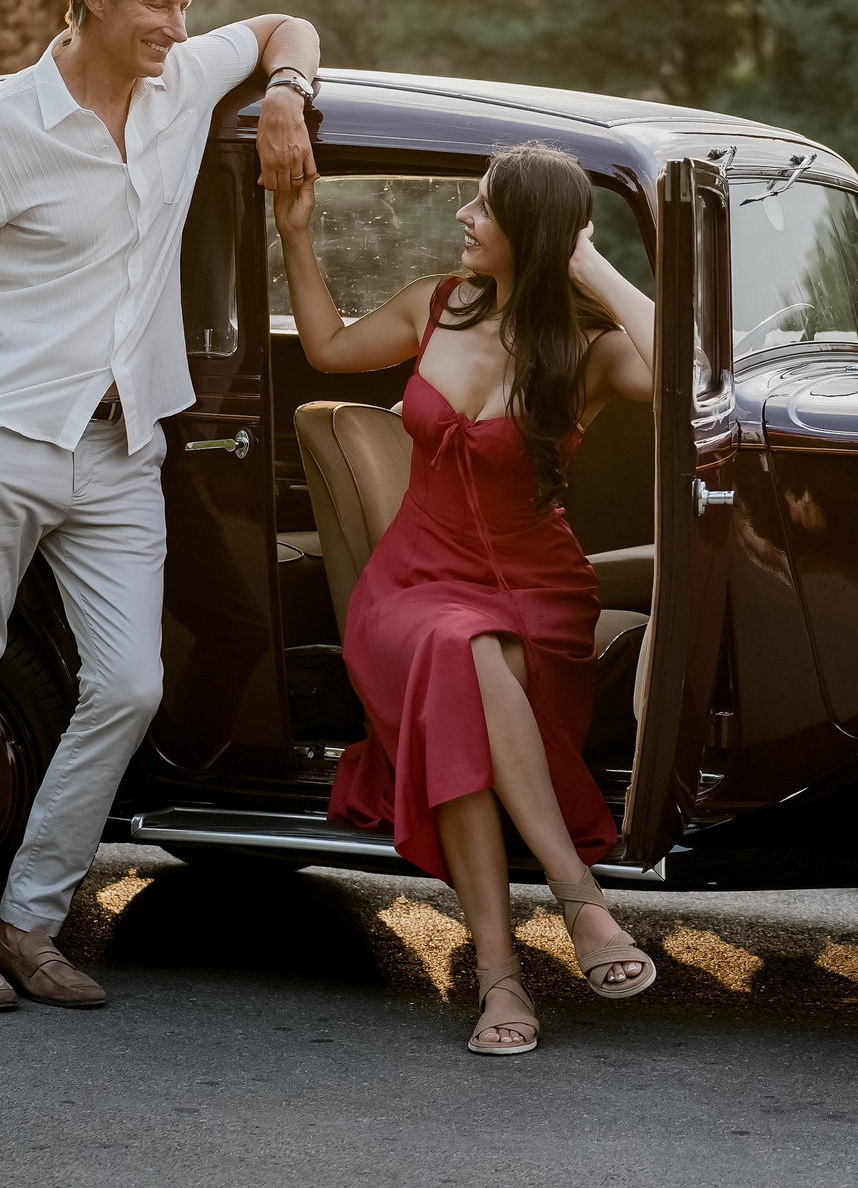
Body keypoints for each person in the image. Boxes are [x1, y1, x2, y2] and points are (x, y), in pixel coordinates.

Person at [0, 0, 320, 1012]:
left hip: (124, 448)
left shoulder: (179, 83)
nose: (178, 26)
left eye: (185, 4)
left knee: (128, 682)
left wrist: (283, 96)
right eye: (157, 5)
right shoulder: (0, 129)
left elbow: (284, 25)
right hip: (6, 442)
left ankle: (29, 918)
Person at [274, 141, 659, 1055]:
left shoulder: (590, 351)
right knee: (458, 646)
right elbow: (327, 349)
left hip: (539, 589)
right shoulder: (435, 303)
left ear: (529, 230)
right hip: (412, 582)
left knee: (466, 661)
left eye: (483, 207)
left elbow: (690, 376)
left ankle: (501, 980)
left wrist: (594, 262)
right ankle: (580, 903)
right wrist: (296, 233)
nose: (464, 219)